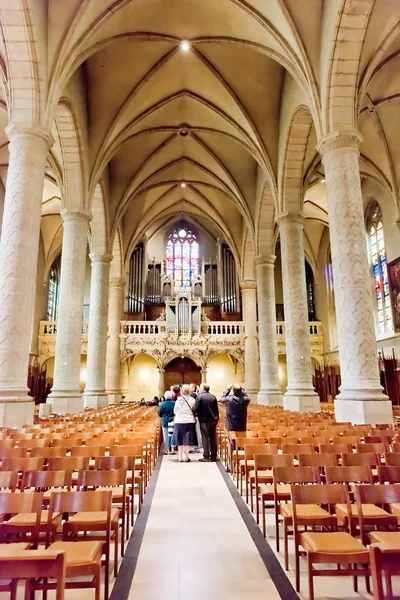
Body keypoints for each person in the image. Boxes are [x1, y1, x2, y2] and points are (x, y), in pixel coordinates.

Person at [194, 383, 219, 462]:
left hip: (204, 420)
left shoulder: (200, 397)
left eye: (201, 387)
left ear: (203, 388)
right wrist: (216, 418)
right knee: (213, 438)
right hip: (213, 420)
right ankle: (214, 456)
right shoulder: (213, 397)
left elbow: (196, 409)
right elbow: (216, 409)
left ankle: (206, 456)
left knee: (205, 438)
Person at [173, 384, 197, 463]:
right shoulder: (193, 400)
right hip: (189, 421)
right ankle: (186, 457)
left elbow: (174, 411)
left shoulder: (178, 400)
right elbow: (194, 410)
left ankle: (180, 457)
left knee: (179, 439)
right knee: (188, 439)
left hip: (179, 421)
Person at [189, 382, 202, 453]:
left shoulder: (193, 395)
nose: (189, 388)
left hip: (194, 416)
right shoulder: (197, 395)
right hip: (196, 415)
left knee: (195, 431)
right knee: (196, 431)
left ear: (194, 388)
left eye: (190, 387)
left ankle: (195, 446)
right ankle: (196, 446)